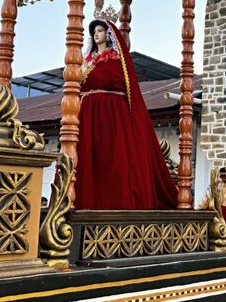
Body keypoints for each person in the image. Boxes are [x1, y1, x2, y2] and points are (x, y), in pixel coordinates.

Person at [74, 20, 178, 210]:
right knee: (86, 159)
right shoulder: (86, 60)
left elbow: (118, 83)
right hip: (88, 114)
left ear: (108, 34)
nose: (96, 34)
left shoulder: (115, 60)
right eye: (94, 31)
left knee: (111, 162)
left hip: (110, 115)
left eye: (100, 30)